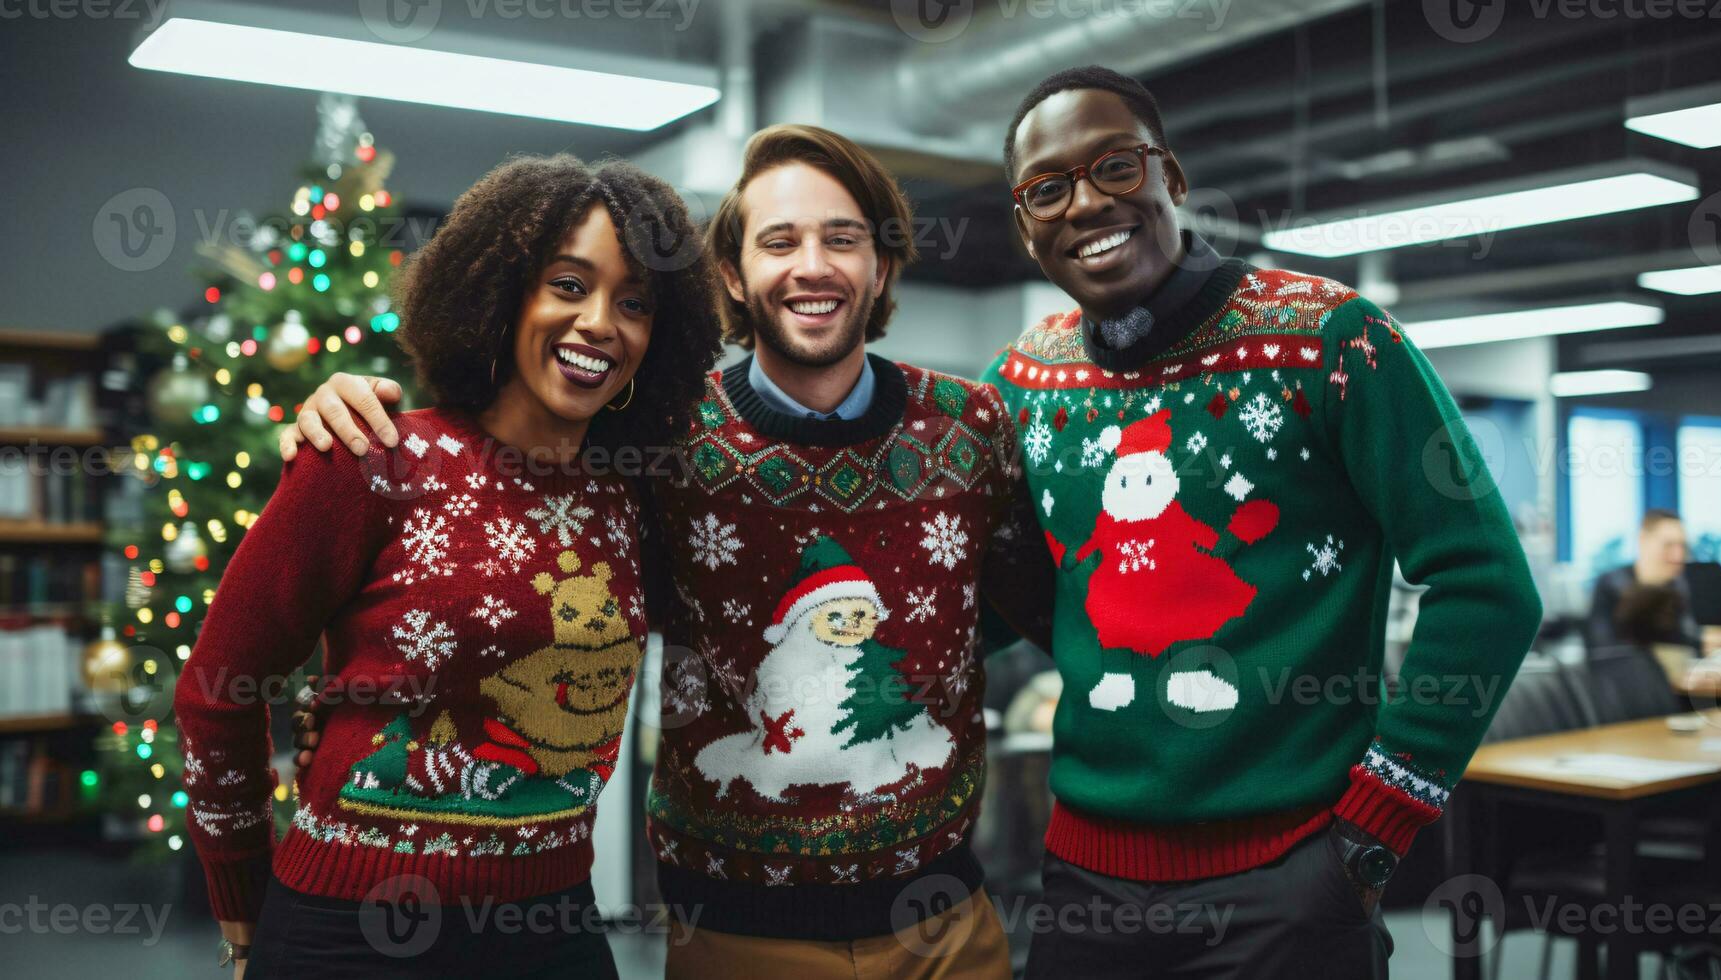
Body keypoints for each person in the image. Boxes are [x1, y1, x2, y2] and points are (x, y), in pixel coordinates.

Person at [279, 125, 1053, 979]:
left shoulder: (972, 424)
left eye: (843, 238)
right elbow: (504, 534)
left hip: (944, 922)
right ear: (730, 274)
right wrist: (351, 406)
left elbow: (1034, 610)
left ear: (884, 265)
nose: (813, 265)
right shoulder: (654, 446)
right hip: (732, 927)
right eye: (778, 240)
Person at [981, 66, 1543, 978]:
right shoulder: (1020, 383)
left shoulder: (1335, 342)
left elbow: (1484, 585)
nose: (1085, 203)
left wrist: (1373, 831)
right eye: (1048, 189)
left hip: (1291, 890)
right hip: (1085, 889)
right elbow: (1022, 600)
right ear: (1025, 224)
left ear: (1173, 177)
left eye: (1115, 167)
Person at [173, 154, 720, 979]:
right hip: (347, 931)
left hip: (553, 928)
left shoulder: (639, 491)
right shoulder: (371, 457)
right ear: (499, 295)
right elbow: (217, 688)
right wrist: (240, 905)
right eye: (567, 285)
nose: (601, 321)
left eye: (634, 301)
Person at [1587, 509, 1702, 650]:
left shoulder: (1678, 585)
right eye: (1668, 545)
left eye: (1683, 546)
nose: (1678, 557)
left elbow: (1686, 639)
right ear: (1643, 540)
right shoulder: (1612, 584)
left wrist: (1704, 642)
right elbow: (1603, 647)